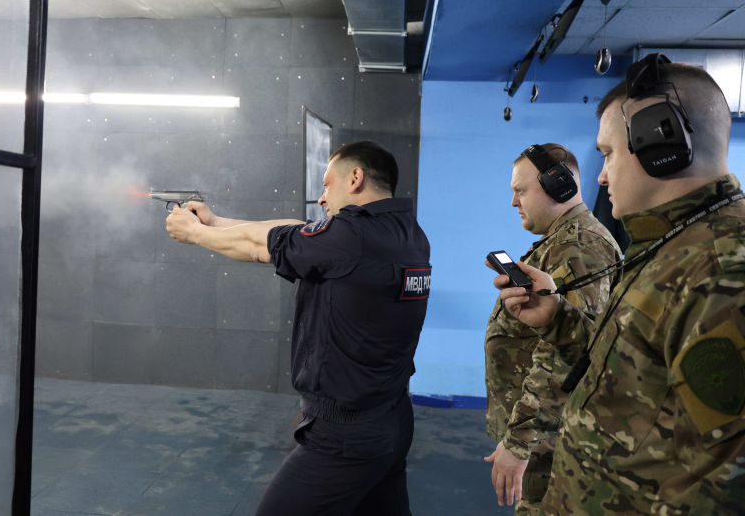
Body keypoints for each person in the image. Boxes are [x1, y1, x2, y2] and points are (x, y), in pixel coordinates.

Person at [492, 56, 745, 514]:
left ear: (661, 145)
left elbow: (725, 486)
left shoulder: (723, 269)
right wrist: (558, 319)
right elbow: (633, 363)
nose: (601, 175)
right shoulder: (671, 245)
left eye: (608, 154)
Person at [165, 140, 431, 516]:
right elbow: (297, 231)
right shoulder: (408, 234)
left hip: (346, 435)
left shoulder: (351, 237)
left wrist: (195, 233)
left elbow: (258, 247)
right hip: (392, 417)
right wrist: (216, 221)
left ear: (355, 178)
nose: (322, 198)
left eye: (327, 185)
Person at [483, 144, 621, 515]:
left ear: (558, 185)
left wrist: (519, 441)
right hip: (547, 436)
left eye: (521, 190)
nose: (514, 201)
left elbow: (565, 356)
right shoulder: (565, 241)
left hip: (553, 441)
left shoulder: (578, 247)